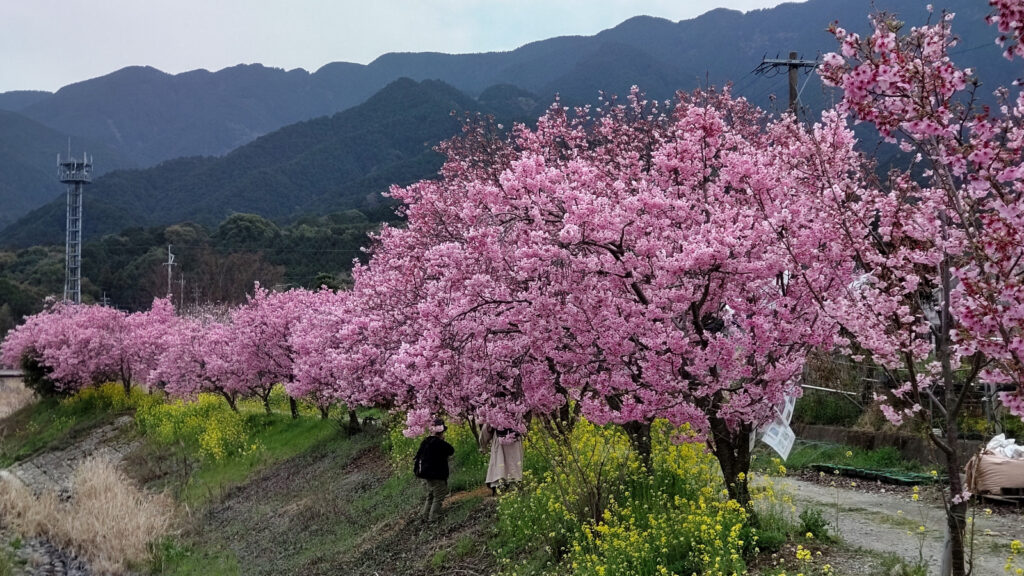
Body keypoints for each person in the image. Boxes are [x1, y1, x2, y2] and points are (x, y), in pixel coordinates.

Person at [414, 418, 455, 522]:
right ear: (441, 432)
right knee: (439, 495)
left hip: (425, 474)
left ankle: (425, 516)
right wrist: (442, 441)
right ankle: (434, 518)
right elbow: (451, 450)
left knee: (431, 496)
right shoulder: (439, 443)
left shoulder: (425, 442)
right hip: (437, 474)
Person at [479, 423, 523, 494]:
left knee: (499, 462)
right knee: (513, 462)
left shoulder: (495, 412)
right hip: (514, 440)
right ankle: (513, 482)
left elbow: (487, 428)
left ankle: (500, 484)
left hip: (500, 440)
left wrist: (483, 444)